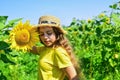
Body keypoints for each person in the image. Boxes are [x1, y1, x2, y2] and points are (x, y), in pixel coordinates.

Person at [31, 15, 81, 80]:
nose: (45, 37)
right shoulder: (44, 49)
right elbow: (30, 48)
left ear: (57, 34)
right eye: (42, 34)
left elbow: (74, 77)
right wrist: (22, 37)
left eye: (49, 33)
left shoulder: (58, 52)